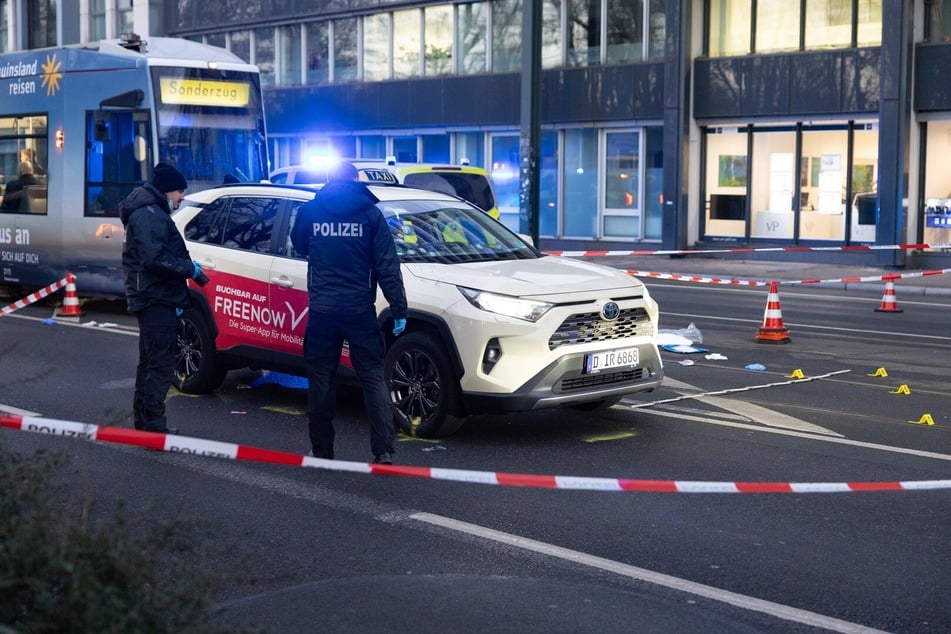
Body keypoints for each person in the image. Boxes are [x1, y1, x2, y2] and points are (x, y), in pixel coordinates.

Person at [290, 160, 408, 464]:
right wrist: (398, 308)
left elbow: (299, 244)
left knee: (320, 380)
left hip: (322, 310)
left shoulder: (311, 210)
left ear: (329, 180)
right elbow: (387, 264)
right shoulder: (370, 214)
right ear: (356, 180)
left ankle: (322, 451)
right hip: (359, 310)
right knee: (372, 377)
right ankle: (382, 450)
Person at [119, 162, 204, 434]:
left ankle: (145, 423)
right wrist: (189, 269)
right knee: (160, 364)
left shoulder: (150, 211)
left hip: (156, 296)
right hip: (154, 298)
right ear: (167, 190)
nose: (182, 197)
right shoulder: (149, 214)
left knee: (150, 362)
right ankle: (154, 428)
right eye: (180, 191)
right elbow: (154, 258)